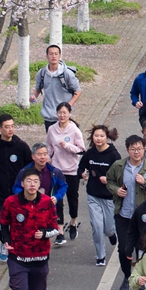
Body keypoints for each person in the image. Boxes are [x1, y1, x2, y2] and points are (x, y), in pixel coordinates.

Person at [108, 135, 146, 290]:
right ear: (127, 150)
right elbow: (109, 180)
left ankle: (142, 278)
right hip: (123, 216)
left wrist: (145, 183)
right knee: (124, 248)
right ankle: (127, 277)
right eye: (133, 149)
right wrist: (116, 190)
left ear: (144, 149)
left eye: (139, 148)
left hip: (143, 216)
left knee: (144, 248)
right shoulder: (118, 166)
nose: (136, 152)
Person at [0, 166, 60, 290]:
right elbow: (2, 222)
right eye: (28, 181)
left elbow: (55, 228)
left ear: (39, 184)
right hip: (18, 256)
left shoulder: (47, 202)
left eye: (35, 181)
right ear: (22, 183)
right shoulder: (11, 202)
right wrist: (6, 239)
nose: (32, 184)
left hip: (40, 258)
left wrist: (44, 234)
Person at [0, 113, 34, 262]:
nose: (10, 129)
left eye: (12, 126)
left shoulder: (21, 146)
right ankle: (6, 242)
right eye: (6, 127)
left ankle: (22, 247)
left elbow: (30, 167)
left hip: (18, 192)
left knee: (20, 220)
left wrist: (29, 184)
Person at [81, 125, 121, 266]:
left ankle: (111, 234)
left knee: (108, 228)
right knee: (97, 227)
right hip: (93, 196)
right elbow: (82, 166)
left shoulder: (113, 155)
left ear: (107, 137)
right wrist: (83, 173)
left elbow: (120, 175)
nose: (99, 138)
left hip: (109, 197)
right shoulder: (90, 153)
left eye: (102, 136)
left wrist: (108, 179)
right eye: (96, 136)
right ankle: (100, 256)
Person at [46, 103, 86, 242]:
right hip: (57, 170)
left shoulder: (74, 130)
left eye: (64, 113)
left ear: (69, 113)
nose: (62, 115)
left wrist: (68, 146)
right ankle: (60, 232)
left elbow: (81, 149)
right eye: (59, 113)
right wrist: (48, 159)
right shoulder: (52, 129)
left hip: (72, 169)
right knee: (57, 200)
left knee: (72, 199)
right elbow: (49, 147)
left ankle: (73, 222)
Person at [31, 44, 82, 130]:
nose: (53, 56)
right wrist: (33, 96)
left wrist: (68, 106)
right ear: (47, 56)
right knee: (51, 141)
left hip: (63, 116)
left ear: (60, 56)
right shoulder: (42, 73)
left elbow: (78, 91)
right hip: (48, 116)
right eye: (51, 54)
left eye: (56, 54)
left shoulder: (67, 73)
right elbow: (38, 88)